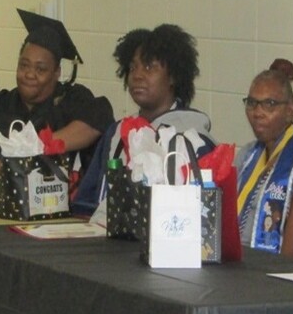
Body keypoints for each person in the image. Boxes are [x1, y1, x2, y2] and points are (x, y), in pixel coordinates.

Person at [0, 9, 114, 180]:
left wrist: (37, 145)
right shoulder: (2, 103)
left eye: (40, 69)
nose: (29, 74)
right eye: (24, 65)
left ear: (56, 73)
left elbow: (98, 120)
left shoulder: (70, 98)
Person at [72, 24, 214, 216]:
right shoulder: (117, 134)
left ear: (173, 76)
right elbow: (86, 202)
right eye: (132, 68)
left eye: (149, 67)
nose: (137, 75)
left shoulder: (193, 139)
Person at [236, 59, 293, 257]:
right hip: (234, 266)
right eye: (252, 103)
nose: (258, 113)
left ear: (290, 112)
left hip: (273, 273)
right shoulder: (246, 155)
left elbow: (292, 251)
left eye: (269, 104)